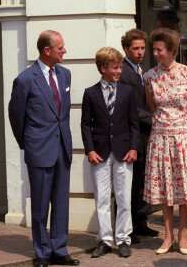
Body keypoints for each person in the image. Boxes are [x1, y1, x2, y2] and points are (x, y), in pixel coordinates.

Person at [8, 30, 79, 267]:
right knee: (40, 205)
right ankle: (41, 252)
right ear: (46, 51)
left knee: (61, 203)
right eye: (60, 47)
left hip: (62, 149)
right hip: (39, 150)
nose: (64, 51)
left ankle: (59, 249)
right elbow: (16, 116)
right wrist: (28, 143)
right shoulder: (26, 79)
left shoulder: (66, 75)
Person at [143, 28, 187, 255]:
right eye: (154, 49)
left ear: (171, 50)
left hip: (184, 138)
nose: (155, 53)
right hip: (160, 138)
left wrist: (183, 127)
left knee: (183, 189)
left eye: (159, 50)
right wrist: (167, 125)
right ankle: (168, 237)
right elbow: (153, 106)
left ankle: (182, 235)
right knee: (165, 188)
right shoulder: (149, 76)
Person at [81, 47, 140, 258]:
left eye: (120, 67)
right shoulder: (90, 93)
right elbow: (86, 124)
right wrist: (89, 150)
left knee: (124, 198)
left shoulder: (127, 92)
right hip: (100, 153)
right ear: (103, 68)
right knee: (102, 199)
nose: (119, 71)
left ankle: (124, 238)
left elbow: (134, 123)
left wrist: (134, 147)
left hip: (124, 152)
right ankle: (105, 239)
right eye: (115, 67)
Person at [119, 29, 159, 244]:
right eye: (136, 48)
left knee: (143, 181)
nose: (140, 52)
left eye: (143, 48)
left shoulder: (140, 70)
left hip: (145, 135)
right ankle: (129, 227)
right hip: (131, 135)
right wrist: (156, 119)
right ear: (126, 48)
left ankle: (141, 222)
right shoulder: (123, 72)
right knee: (131, 185)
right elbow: (130, 107)